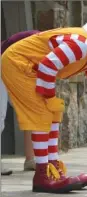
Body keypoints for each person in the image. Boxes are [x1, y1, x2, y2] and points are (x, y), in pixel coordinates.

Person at [2, 15, 87, 193]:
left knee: (53, 114)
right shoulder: (81, 43)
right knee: (43, 115)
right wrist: (49, 96)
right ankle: (42, 176)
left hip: (32, 68)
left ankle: (53, 171)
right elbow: (47, 66)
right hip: (18, 64)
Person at [1, 30, 39, 175]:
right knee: (0, 116)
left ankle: (30, 159)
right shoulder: (36, 41)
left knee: (29, 112)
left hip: (15, 71)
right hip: (2, 64)